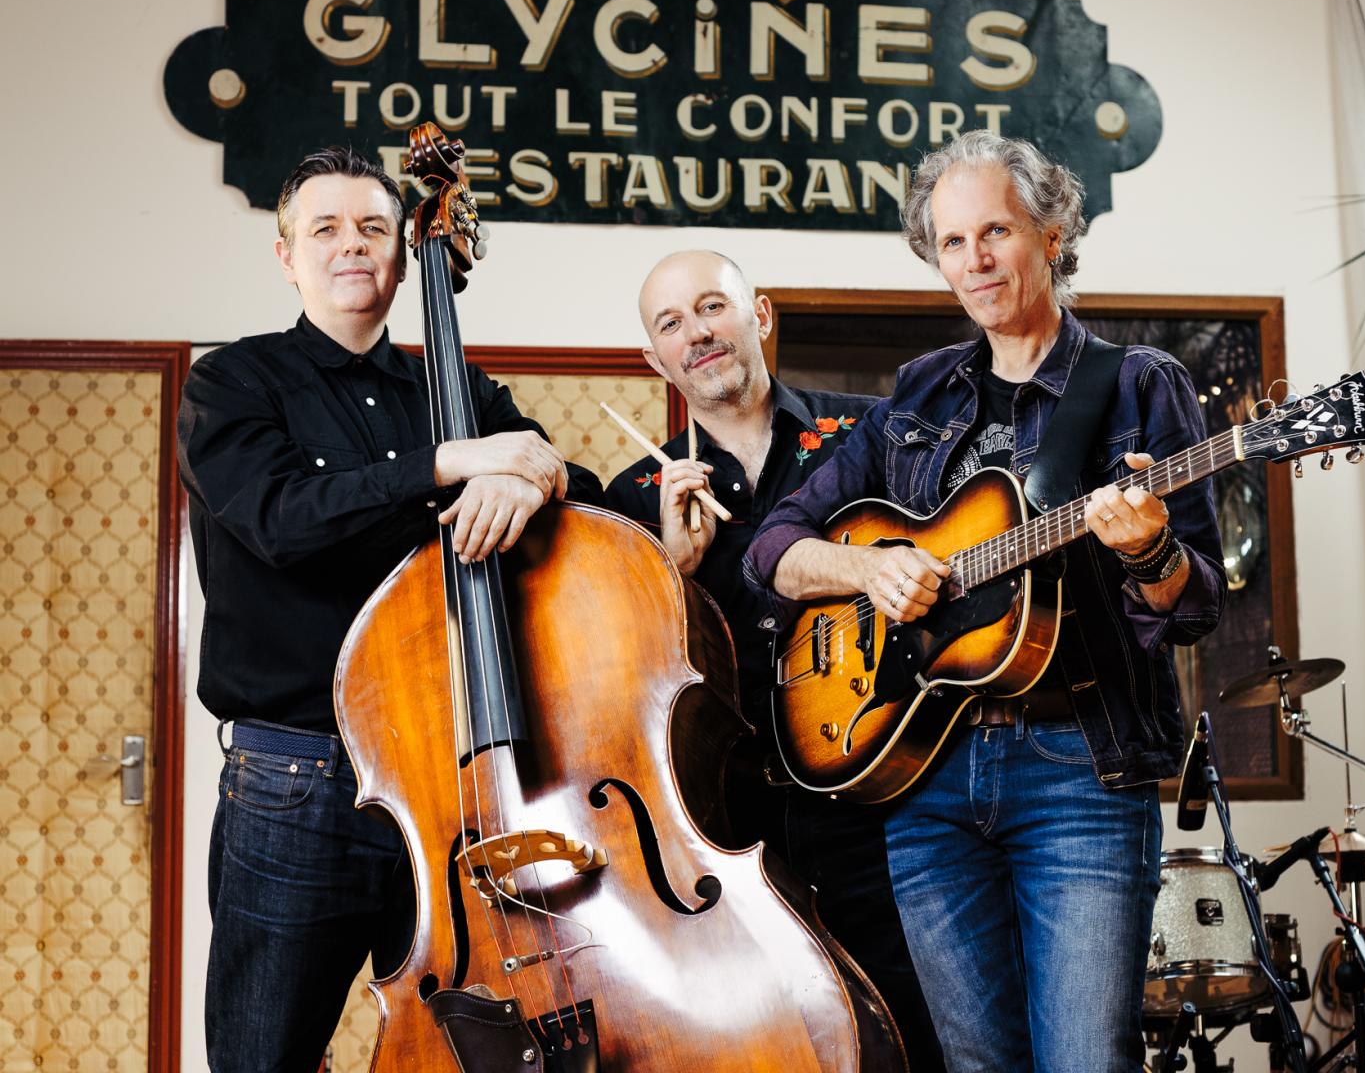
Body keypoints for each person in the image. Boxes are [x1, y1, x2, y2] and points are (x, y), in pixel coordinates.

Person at [743, 131, 1227, 1072]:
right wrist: (867, 572)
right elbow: (775, 548)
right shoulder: (918, 392)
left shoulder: (1137, 385)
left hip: (1080, 770)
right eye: (953, 242)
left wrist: (1151, 548)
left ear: (1052, 233)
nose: (975, 260)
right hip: (922, 773)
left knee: (1087, 1061)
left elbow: (1197, 605)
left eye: (995, 231)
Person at [178, 145, 601, 1072]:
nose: (352, 244)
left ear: (406, 254)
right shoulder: (232, 384)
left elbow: (585, 501)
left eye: (373, 226)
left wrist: (532, 478)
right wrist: (449, 463)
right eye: (325, 228)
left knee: (464, 1047)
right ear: (287, 255)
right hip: (297, 779)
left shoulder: (461, 393)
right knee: (264, 1055)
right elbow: (281, 519)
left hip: (450, 780)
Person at [604, 249, 944, 1071]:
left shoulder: (871, 434)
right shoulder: (633, 499)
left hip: (883, 789)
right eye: (671, 323)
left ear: (758, 315)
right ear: (655, 359)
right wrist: (673, 572)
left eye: (711, 307)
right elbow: (620, 683)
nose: (697, 333)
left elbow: (941, 562)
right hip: (730, 825)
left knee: (922, 1035)